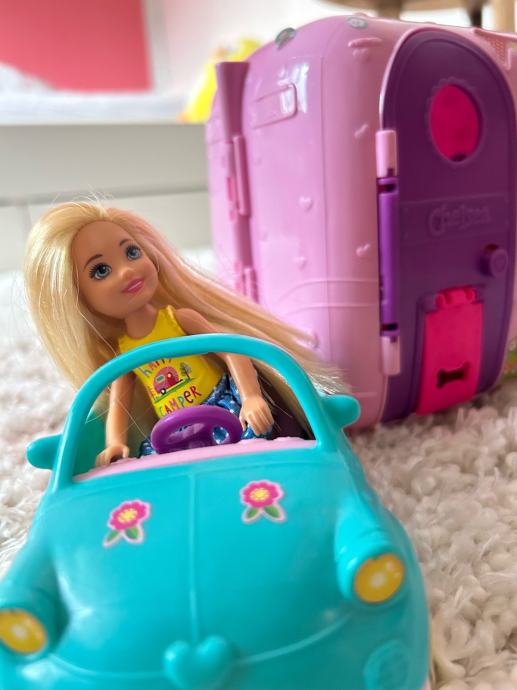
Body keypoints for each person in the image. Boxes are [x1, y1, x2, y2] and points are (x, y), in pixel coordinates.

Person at [24, 201, 345, 466]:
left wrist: (250, 397)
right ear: (79, 299)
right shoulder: (123, 355)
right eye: (101, 271)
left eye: (132, 252)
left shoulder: (178, 320)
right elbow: (119, 406)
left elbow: (231, 351)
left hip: (226, 408)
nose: (127, 270)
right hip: (174, 434)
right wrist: (116, 444)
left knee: (260, 450)